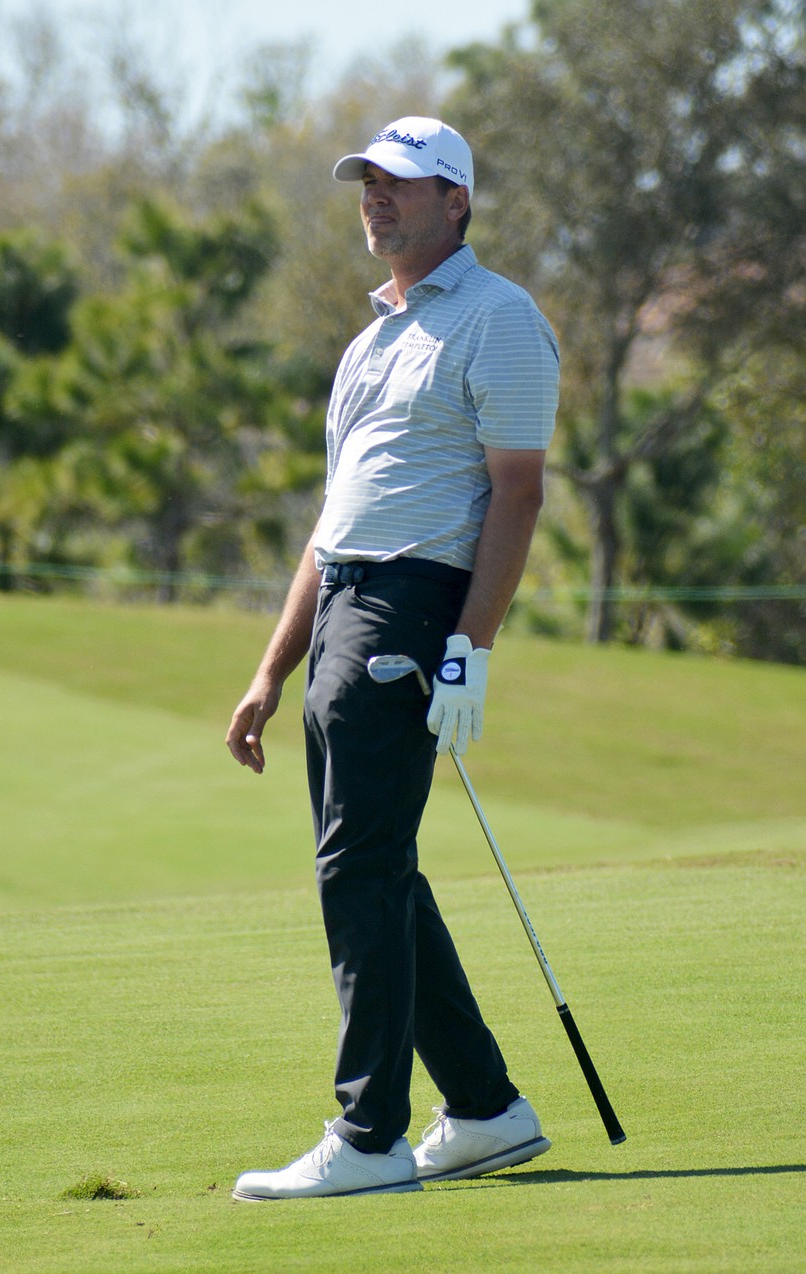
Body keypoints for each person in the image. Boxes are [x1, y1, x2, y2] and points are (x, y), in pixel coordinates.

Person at [226, 116, 560, 1201]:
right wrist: (269, 671)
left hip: (412, 611)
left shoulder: (499, 319)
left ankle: (367, 1133)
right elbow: (334, 526)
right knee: (376, 864)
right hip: (344, 612)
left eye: (401, 185)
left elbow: (517, 490)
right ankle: (482, 1108)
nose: (377, 198)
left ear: (454, 200)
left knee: (358, 867)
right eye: (367, 183)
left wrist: (470, 648)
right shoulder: (369, 341)